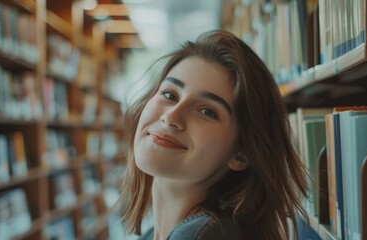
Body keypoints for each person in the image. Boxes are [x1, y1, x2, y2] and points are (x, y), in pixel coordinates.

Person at [118, 30, 308, 240]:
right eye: (170, 95)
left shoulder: (202, 236)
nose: (171, 116)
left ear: (241, 154)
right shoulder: (157, 234)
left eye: (207, 111)